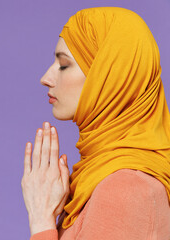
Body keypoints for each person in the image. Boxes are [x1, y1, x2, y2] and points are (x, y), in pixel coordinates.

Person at [21, 7, 170, 240]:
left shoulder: (126, 188)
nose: (46, 78)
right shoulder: (98, 178)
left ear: (109, 76)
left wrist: (41, 221)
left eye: (63, 65)